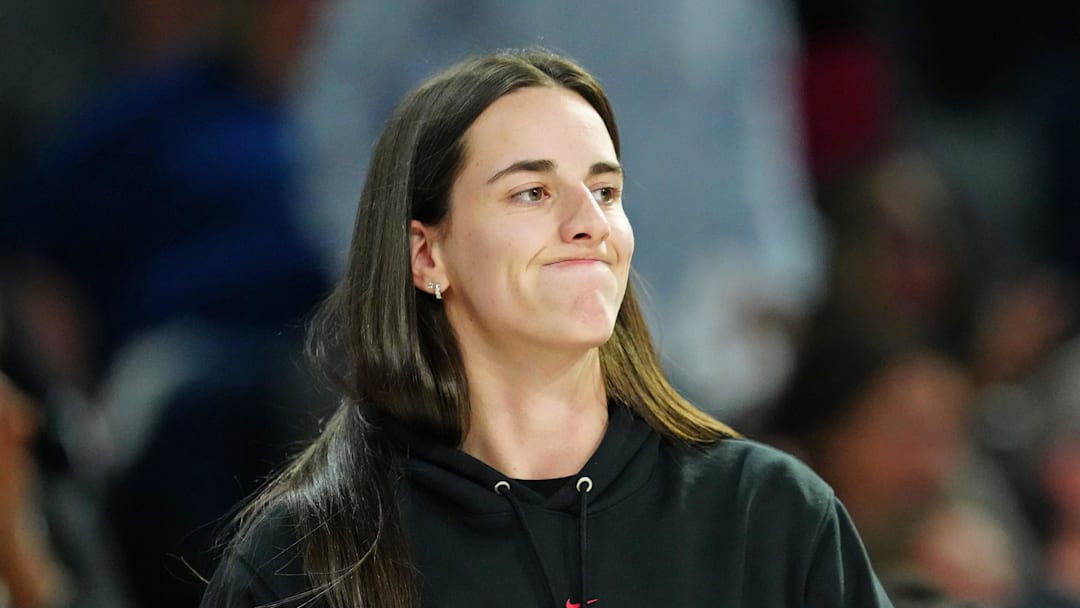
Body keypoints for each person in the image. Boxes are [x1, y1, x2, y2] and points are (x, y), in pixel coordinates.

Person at [201, 49, 893, 608]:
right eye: (532, 192)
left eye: (606, 191)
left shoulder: (767, 515)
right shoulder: (306, 557)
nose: (588, 222)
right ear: (426, 254)